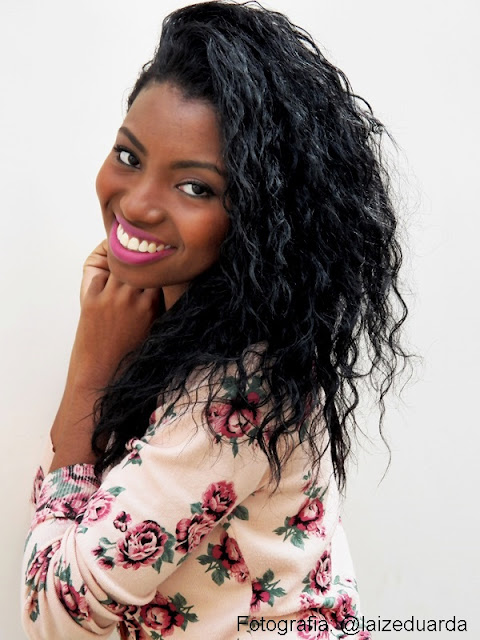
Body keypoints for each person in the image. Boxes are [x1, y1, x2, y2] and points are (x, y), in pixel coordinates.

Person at [21, 1, 412, 638]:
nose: (138, 204)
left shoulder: (238, 389)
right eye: (129, 156)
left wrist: (90, 370)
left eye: (195, 187)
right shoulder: (183, 326)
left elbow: (55, 616)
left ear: (258, 215)